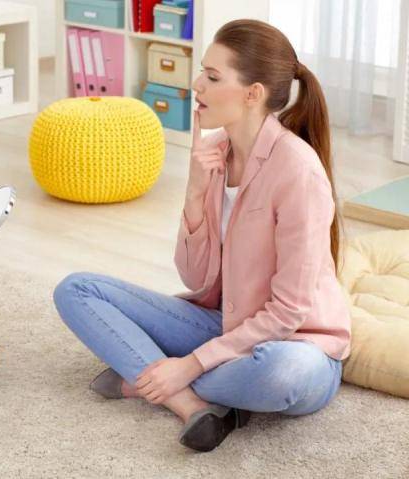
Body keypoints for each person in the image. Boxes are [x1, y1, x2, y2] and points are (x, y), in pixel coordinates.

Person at [53, 19, 351, 452]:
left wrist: (190, 364)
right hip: (223, 325)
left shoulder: (297, 172)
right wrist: (195, 192)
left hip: (297, 343)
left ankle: (146, 378)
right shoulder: (213, 155)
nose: (197, 85)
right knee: (77, 290)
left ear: (252, 94)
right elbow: (194, 277)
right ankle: (189, 404)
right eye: (202, 73)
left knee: (282, 373)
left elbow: (288, 312)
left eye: (212, 77)